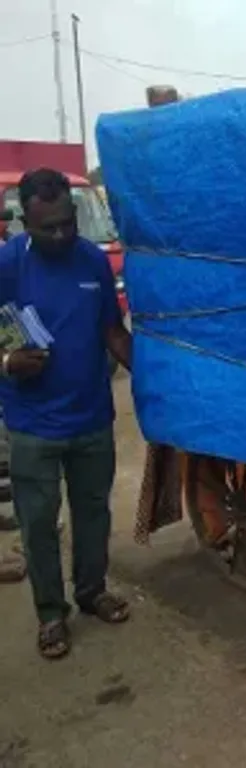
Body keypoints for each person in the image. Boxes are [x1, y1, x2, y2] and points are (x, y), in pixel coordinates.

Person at [0, 169, 133, 659]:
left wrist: (151, 372)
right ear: (23, 222)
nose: (58, 236)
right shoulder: (7, 266)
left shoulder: (94, 261)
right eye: (45, 228)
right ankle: (51, 614)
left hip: (91, 416)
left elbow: (112, 332)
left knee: (94, 511)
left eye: (65, 224)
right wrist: (8, 361)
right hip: (33, 424)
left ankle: (91, 591)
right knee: (37, 524)